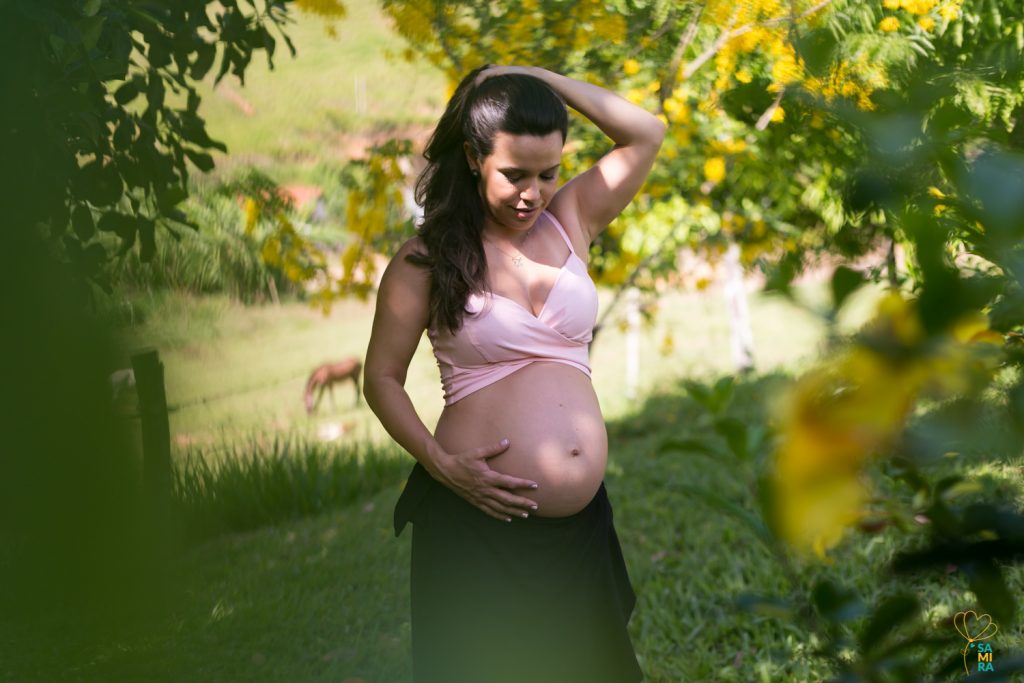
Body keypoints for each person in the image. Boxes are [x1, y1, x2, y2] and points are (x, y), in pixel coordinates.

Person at [362, 64, 665, 683]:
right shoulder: (427, 258)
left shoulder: (571, 218)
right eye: (514, 175)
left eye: (549, 173)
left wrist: (523, 74)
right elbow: (382, 378)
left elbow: (645, 133)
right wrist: (439, 464)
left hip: (578, 531)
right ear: (474, 158)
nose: (534, 193)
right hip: (479, 525)